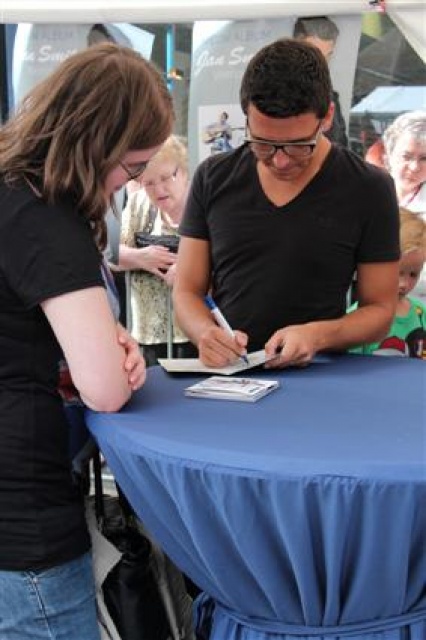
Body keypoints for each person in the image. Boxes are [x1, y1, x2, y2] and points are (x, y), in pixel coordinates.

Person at [0, 42, 173, 640]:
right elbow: (105, 390)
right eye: (132, 167)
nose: (129, 184)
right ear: (98, 145)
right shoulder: (48, 218)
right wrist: (113, 357)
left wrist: (98, 340)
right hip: (23, 514)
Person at [173, 38, 400, 370]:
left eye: (298, 145)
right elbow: (186, 291)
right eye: (262, 143)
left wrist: (318, 335)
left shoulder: (369, 188)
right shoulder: (213, 177)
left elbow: (380, 311)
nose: (279, 161)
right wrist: (205, 333)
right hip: (230, 376)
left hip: (322, 376)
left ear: (327, 117)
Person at [119, 135, 196, 366]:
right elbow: (109, 254)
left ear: (183, 172)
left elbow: (226, 257)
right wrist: (140, 257)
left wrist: (189, 270)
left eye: (165, 178)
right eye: (149, 183)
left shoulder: (203, 204)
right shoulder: (137, 204)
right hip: (148, 333)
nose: (158, 190)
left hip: (196, 329)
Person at [348, 209, 426, 358]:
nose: (404, 284)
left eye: (413, 274)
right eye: (398, 273)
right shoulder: (358, 318)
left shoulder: (421, 313)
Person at [383, 110, 426, 301]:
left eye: (424, 158)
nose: (415, 167)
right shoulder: (366, 194)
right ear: (388, 156)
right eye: (407, 156)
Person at [293, 16, 348, 147]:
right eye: (315, 54)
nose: (322, 63)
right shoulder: (276, 94)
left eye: (328, 56)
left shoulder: (329, 95)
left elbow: (341, 143)